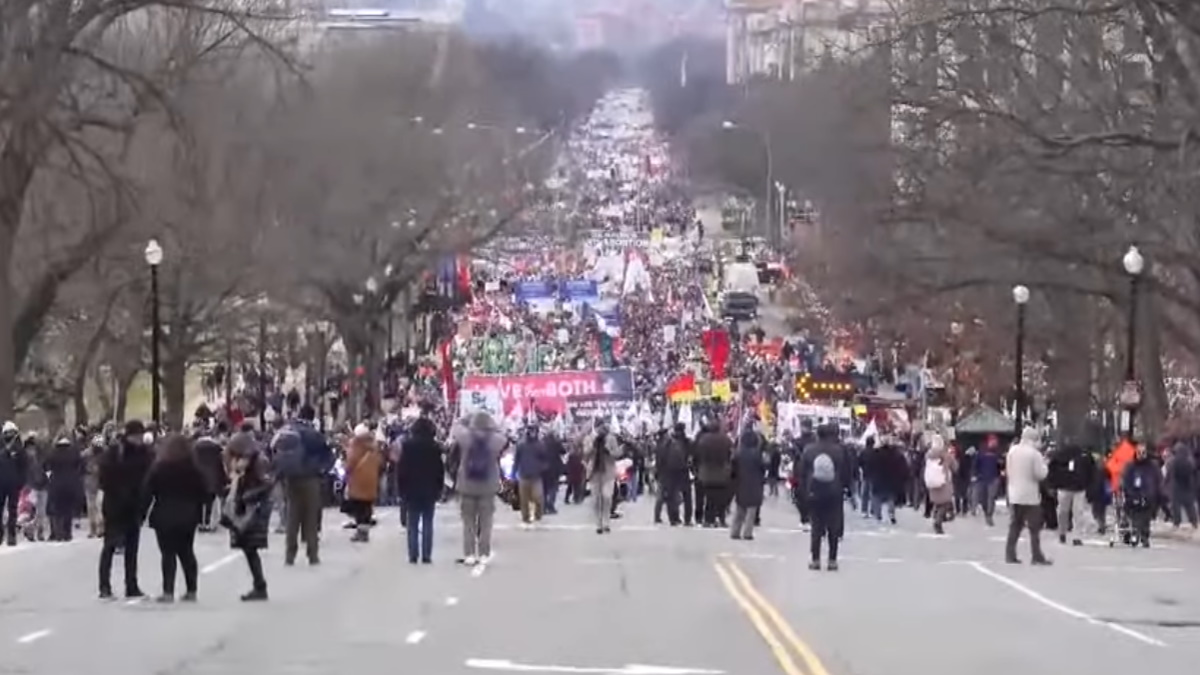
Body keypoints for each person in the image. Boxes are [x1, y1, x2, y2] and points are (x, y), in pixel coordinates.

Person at [143, 434, 208, 603]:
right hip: (188, 514)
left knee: (167, 554)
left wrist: (142, 512)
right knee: (187, 552)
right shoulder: (194, 469)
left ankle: (168, 591)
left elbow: (148, 490)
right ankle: (192, 589)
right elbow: (205, 492)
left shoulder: (160, 468)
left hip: (164, 513)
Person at [271, 404, 334, 565]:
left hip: (291, 479)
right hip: (310, 478)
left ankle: (289, 555)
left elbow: (272, 450)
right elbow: (328, 455)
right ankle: (312, 555)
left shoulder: (288, 430)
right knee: (311, 518)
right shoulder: (313, 434)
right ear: (312, 417)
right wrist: (322, 470)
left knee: (293, 517)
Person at [98, 421, 154, 599]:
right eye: (136, 436)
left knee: (132, 549)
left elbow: (148, 476)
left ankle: (131, 584)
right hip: (115, 505)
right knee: (110, 546)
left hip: (133, 507)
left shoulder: (144, 453)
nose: (139, 439)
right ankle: (104, 585)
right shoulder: (115, 453)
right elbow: (105, 477)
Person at [223, 432, 272, 600]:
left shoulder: (259, 462)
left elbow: (266, 484)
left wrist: (247, 495)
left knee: (250, 547)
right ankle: (259, 584)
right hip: (248, 506)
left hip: (254, 509)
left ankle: (260, 586)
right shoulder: (248, 462)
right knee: (248, 548)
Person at [797, 424, 851, 571]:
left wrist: (803, 491)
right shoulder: (839, 451)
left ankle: (815, 559)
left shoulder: (809, 450)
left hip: (814, 491)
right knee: (833, 527)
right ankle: (832, 560)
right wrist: (846, 488)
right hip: (834, 492)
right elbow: (847, 472)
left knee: (816, 526)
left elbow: (801, 472)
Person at [454, 411, 505, 565]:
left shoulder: (465, 438)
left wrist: (467, 418)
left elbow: (456, 426)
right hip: (488, 486)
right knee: (486, 522)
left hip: (467, 484)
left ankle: (469, 554)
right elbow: (502, 432)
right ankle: (484, 553)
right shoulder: (496, 440)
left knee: (468, 522)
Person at [396, 417, 445, 564]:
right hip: (429, 490)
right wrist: (439, 488)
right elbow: (439, 470)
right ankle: (426, 555)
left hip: (411, 490)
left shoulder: (407, 446)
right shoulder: (435, 447)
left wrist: (401, 489)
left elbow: (401, 469)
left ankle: (413, 554)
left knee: (412, 523)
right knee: (428, 522)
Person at [1004, 426, 1051, 565]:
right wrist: (1046, 464)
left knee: (1015, 525)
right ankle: (1036, 556)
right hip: (1030, 495)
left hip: (1014, 493)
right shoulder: (1034, 454)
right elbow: (1040, 474)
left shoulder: (1012, 451)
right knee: (1034, 527)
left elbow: (1008, 470)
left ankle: (1010, 554)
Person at [1047, 438, 1094, 545]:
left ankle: (1074, 536)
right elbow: (1091, 472)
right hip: (1069, 487)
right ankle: (1063, 533)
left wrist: (1052, 485)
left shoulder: (1083, 456)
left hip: (1074, 488)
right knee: (1067, 512)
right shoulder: (1081, 456)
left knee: (1073, 512)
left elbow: (1091, 472)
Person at [344, 424, 383, 543]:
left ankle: (360, 532)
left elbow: (350, 461)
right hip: (371, 480)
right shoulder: (374, 445)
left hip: (358, 480)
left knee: (359, 507)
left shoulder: (356, 444)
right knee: (367, 507)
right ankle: (365, 532)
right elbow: (380, 462)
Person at [583, 420, 622, 534]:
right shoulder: (590, 438)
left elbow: (618, 453)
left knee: (607, 497)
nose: (601, 429)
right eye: (598, 426)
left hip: (608, 472)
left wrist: (609, 450)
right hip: (594, 472)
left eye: (602, 426)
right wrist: (592, 447)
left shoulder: (611, 438)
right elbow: (585, 453)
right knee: (596, 499)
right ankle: (598, 524)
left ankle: (606, 523)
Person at [1121, 441, 1162, 548]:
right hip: (1133, 495)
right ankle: (1135, 533)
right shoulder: (1130, 466)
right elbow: (1126, 481)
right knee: (1134, 516)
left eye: (1143, 452)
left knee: (1146, 517)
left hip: (1148, 496)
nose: (1141, 455)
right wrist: (1129, 493)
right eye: (1139, 452)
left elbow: (1157, 480)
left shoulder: (1152, 466)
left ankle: (1145, 536)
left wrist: (1155, 493)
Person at [45, 435, 84, 542]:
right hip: (71, 484)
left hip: (56, 483)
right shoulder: (74, 452)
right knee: (68, 510)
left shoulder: (53, 453)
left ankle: (58, 533)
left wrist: (49, 476)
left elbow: (46, 465)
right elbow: (81, 465)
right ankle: (67, 533)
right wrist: (76, 476)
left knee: (57, 510)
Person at [730, 428, 766, 541]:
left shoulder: (738, 453)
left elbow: (733, 468)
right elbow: (764, 467)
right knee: (752, 510)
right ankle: (747, 532)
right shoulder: (757, 454)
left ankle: (735, 531)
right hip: (755, 482)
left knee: (740, 508)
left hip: (741, 481)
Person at [513, 425, 548, 528]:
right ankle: (525, 517)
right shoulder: (521, 445)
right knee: (524, 499)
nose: (532, 433)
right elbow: (516, 459)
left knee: (538, 497)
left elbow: (545, 459)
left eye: (534, 431)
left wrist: (542, 468)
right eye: (530, 431)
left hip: (536, 476)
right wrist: (514, 472)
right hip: (523, 474)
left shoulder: (540, 445)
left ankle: (538, 514)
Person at [0, 421, 26, 545]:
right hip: (6, 482)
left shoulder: (19, 449)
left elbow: (23, 466)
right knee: (11, 510)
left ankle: (10, 535)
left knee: (12, 510)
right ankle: (7, 535)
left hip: (11, 483)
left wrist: (21, 482)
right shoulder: (8, 448)